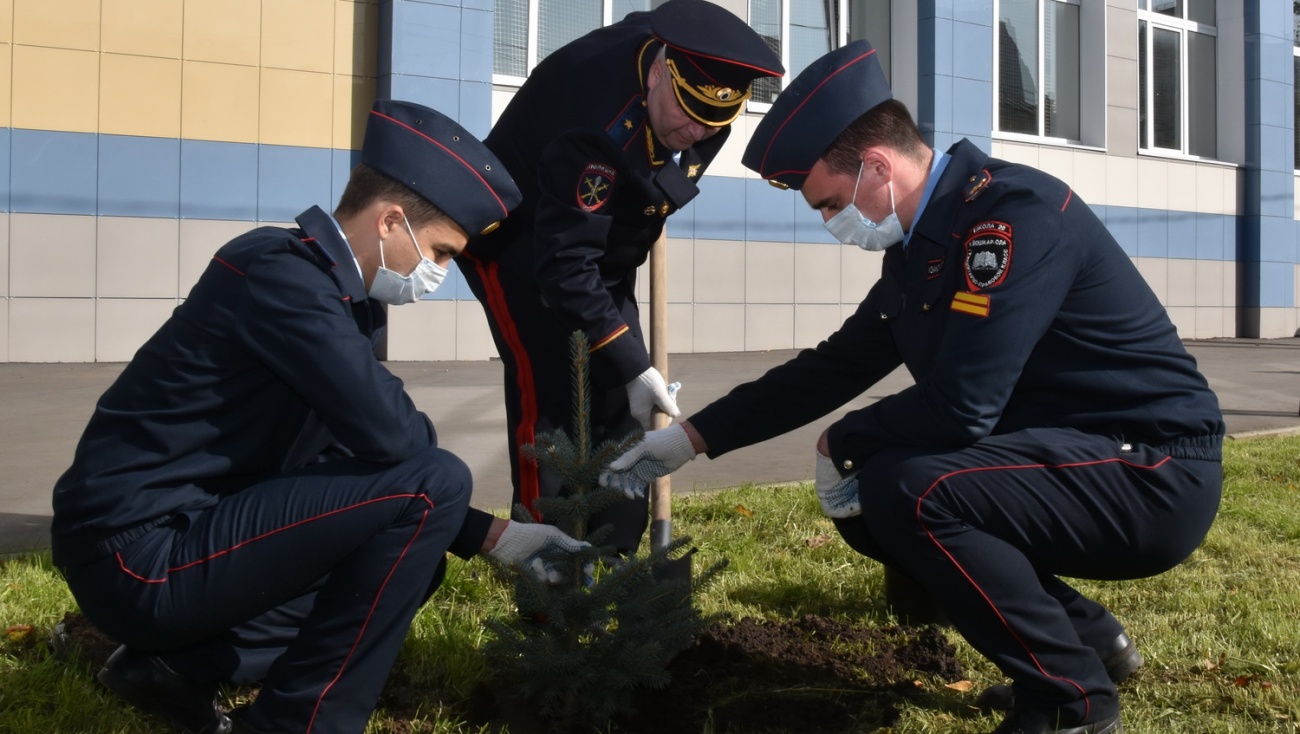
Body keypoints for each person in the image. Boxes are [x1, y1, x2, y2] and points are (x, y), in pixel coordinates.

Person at [599, 40, 1224, 734]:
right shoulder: (922, 247)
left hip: (1151, 469)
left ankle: (1070, 700)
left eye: (829, 203)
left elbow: (964, 406)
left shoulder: (1008, 221)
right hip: (1073, 457)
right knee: (888, 487)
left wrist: (846, 437)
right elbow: (832, 367)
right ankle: (1089, 644)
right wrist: (690, 439)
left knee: (908, 489)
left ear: (876, 168)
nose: (830, 223)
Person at [50, 100, 589, 734]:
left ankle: (174, 668)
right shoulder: (280, 276)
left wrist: (492, 537)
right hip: (138, 556)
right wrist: (447, 496)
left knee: (410, 553)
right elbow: (395, 438)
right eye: (441, 252)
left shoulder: (335, 297)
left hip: (183, 534)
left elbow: (342, 462)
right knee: (434, 481)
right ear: (391, 221)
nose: (438, 274)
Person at [456, 0, 783, 553]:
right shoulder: (597, 122)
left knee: (624, 406)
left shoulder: (697, 90)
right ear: (659, 72)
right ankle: (549, 582)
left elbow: (650, 188)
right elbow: (563, 265)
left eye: (714, 119)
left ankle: (616, 566)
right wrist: (631, 359)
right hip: (519, 243)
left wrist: (630, 364)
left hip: (602, 250)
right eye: (687, 110)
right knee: (553, 408)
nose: (698, 130)